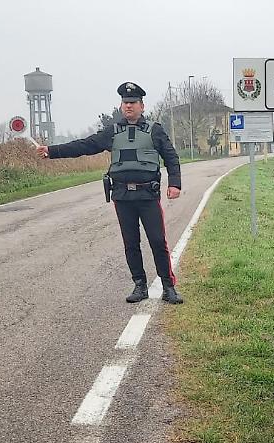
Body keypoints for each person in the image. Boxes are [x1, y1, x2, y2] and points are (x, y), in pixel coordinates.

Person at [37, 81, 184, 304]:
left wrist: (175, 184)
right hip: (123, 196)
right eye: (125, 103)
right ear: (121, 106)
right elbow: (84, 146)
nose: (128, 106)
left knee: (157, 240)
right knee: (130, 243)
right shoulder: (112, 132)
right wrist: (51, 151)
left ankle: (168, 286)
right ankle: (140, 285)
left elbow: (171, 158)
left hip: (147, 196)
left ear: (142, 106)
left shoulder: (155, 130)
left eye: (133, 102)